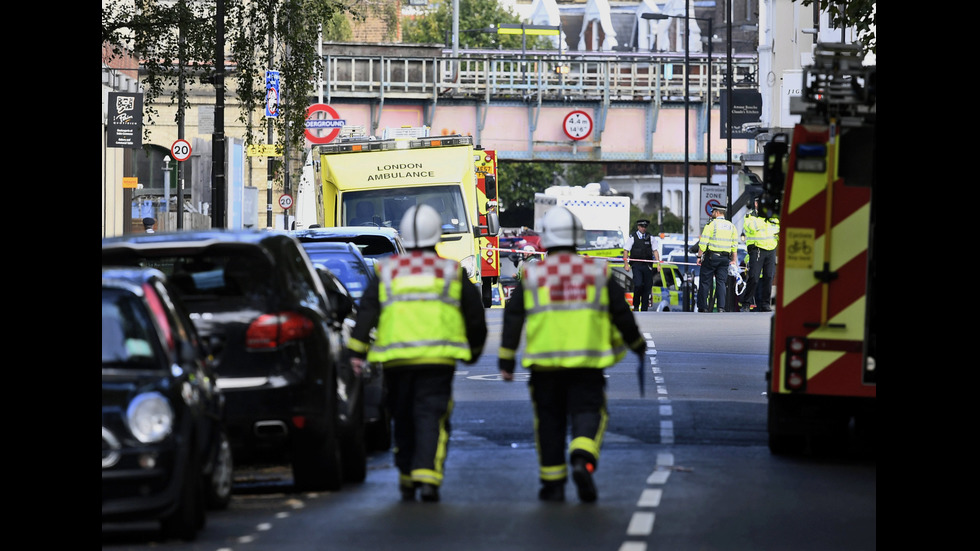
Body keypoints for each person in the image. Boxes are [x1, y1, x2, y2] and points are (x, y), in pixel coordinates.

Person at [498, 206, 646, 503]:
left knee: (549, 423)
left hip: (544, 367)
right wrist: (637, 344)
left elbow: (513, 317)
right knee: (589, 413)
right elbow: (621, 313)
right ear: (578, 238)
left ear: (545, 241)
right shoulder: (597, 272)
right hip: (587, 366)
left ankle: (552, 485)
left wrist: (506, 359)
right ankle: (582, 458)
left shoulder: (532, 274)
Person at [348, 204, 487, 503]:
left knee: (402, 415)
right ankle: (428, 475)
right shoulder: (451, 271)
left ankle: (406, 474)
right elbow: (474, 316)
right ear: (437, 235)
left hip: (396, 361)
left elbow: (366, 313)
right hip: (438, 360)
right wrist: (474, 351)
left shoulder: (386, 271)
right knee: (431, 415)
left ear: (406, 239)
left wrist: (355, 352)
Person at [738, 196, 779, 312]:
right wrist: (765, 221)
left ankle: (765, 304)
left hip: (771, 249)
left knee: (769, 277)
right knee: (754, 277)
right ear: (756, 204)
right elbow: (751, 227)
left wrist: (765, 221)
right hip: (757, 249)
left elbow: (777, 228)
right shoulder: (750, 216)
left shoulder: (772, 216)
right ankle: (746, 303)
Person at [696, 205, 738, 312]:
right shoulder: (731, 226)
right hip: (725, 259)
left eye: (713, 212)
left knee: (705, 282)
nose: (711, 214)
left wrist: (699, 256)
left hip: (711, 257)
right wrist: (734, 260)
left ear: (717, 212)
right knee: (721, 282)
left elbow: (703, 242)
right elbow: (734, 246)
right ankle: (721, 307)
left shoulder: (712, 224)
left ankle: (703, 307)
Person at [623, 219, 662, 312]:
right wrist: (626, 264)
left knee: (647, 287)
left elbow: (655, 251)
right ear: (638, 227)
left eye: (645, 227)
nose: (644, 228)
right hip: (636, 265)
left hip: (647, 265)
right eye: (642, 227)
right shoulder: (632, 237)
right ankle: (636, 305)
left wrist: (658, 263)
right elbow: (626, 250)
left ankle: (644, 308)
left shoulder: (650, 237)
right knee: (638, 284)